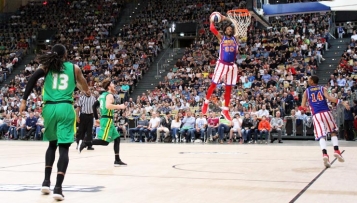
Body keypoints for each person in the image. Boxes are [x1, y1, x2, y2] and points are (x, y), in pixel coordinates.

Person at [19, 44, 91, 201]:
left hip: (49, 108)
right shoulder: (74, 68)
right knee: (64, 147)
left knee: (52, 145)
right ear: (65, 55)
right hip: (65, 107)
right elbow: (84, 85)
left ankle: (46, 182)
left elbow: (32, 79)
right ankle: (58, 188)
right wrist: (86, 90)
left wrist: (24, 100)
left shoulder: (46, 66)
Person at [301, 75, 348, 168]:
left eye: (309, 79)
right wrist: (341, 102)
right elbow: (330, 98)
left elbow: (303, 107)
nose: (308, 80)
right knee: (333, 131)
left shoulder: (306, 91)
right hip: (325, 112)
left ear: (312, 81)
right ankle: (336, 150)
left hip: (316, 115)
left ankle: (325, 154)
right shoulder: (322, 88)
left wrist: (308, 109)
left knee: (321, 135)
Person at [80, 78, 127, 167]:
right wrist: (120, 106)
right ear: (109, 86)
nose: (114, 85)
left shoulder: (102, 95)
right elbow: (108, 106)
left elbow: (94, 106)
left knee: (117, 138)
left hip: (106, 119)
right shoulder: (109, 95)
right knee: (105, 142)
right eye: (113, 84)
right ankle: (86, 142)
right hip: (107, 120)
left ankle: (117, 160)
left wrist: (97, 118)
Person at [201, 15, 239, 121]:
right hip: (222, 64)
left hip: (232, 65)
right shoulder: (222, 38)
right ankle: (206, 103)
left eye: (231, 29)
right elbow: (212, 29)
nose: (229, 30)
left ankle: (225, 110)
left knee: (228, 88)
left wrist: (229, 19)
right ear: (225, 31)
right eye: (227, 29)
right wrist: (212, 19)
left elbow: (236, 25)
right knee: (213, 84)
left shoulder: (235, 38)